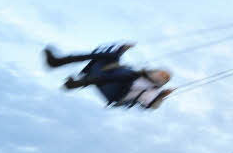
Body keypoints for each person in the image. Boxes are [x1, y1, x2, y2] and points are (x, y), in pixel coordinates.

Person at [45, 44, 173, 109]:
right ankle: (57, 62)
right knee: (111, 56)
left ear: (162, 83)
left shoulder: (152, 90)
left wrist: (161, 96)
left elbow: (150, 105)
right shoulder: (138, 73)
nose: (162, 75)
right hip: (106, 76)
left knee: (129, 76)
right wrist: (121, 50)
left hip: (116, 92)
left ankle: (77, 83)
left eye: (165, 78)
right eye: (162, 72)